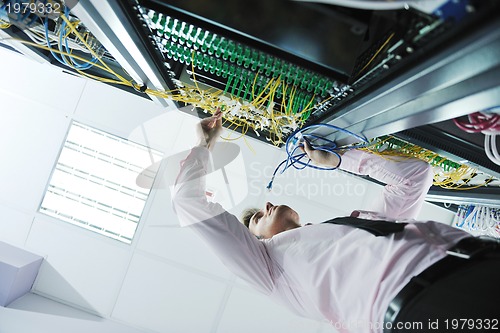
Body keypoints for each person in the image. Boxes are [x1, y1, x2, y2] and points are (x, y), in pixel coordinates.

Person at [171, 113, 500, 333]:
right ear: (254, 242)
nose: (267, 205)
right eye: (258, 218)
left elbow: (415, 177)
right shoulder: (267, 268)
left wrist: (340, 161)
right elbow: (189, 202)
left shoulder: (357, 225)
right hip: (428, 308)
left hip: (482, 258)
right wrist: (204, 146)